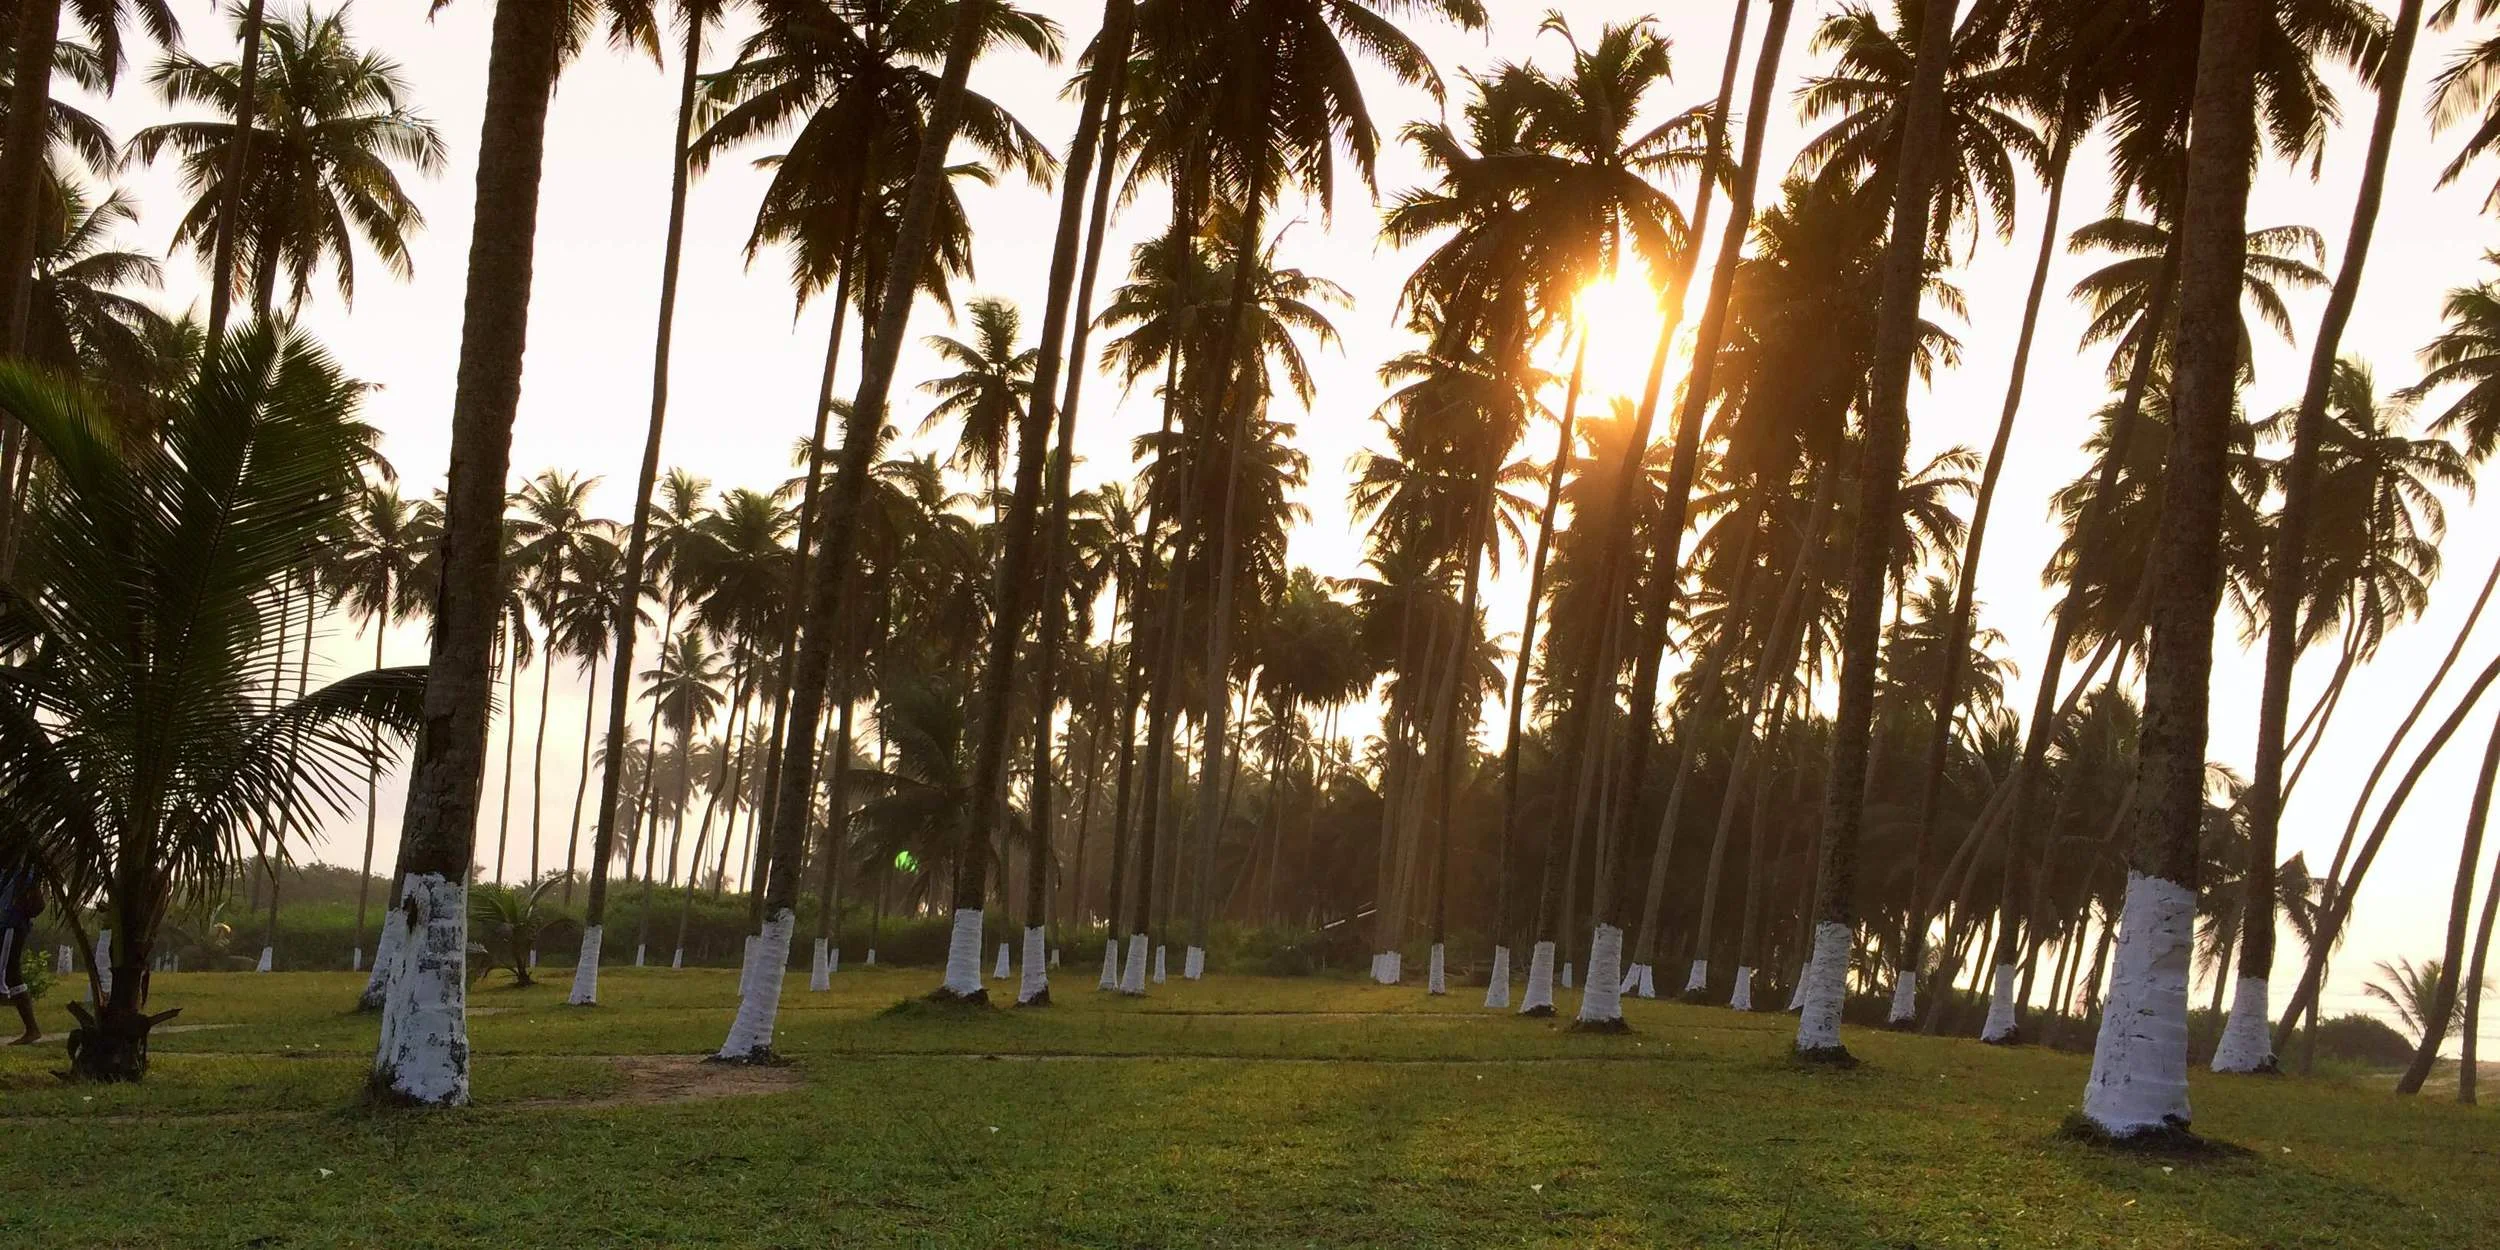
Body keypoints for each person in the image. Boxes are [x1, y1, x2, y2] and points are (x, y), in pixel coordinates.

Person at [2, 865, 43, 1045]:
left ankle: (32, 1028)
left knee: (11, 972)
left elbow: (36, 903)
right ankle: (32, 1028)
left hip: (10, 926)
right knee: (11, 973)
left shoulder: (21, 872)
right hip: (7, 925)